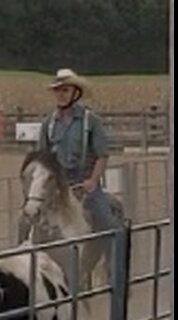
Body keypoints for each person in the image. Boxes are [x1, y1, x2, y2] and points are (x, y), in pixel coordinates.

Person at [36, 68, 120, 234]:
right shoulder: (49, 123)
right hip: (57, 184)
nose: (61, 94)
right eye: (57, 91)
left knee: (109, 223)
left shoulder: (91, 121)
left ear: (76, 93)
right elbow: (43, 157)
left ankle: (116, 259)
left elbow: (102, 155)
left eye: (65, 90)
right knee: (26, 219)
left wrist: (93, 181)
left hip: (84, 183)